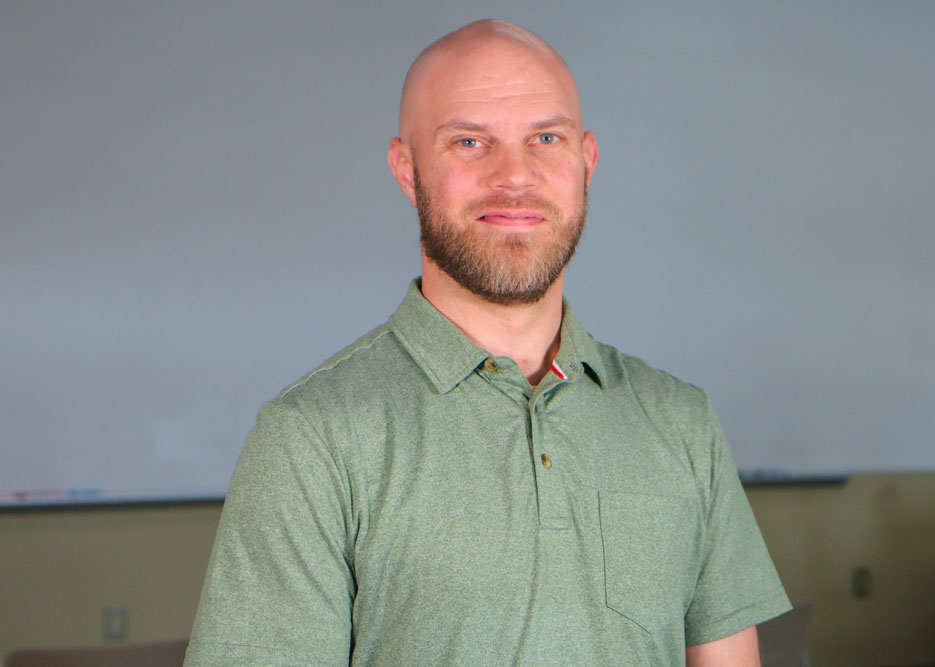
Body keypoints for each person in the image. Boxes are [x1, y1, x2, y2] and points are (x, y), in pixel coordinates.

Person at [185, 19, 790, 666]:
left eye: (546, 139)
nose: (515, 177)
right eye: (470, 141)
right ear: (407, 169)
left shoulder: (681, 422)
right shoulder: (312, 437)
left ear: (586, 162)